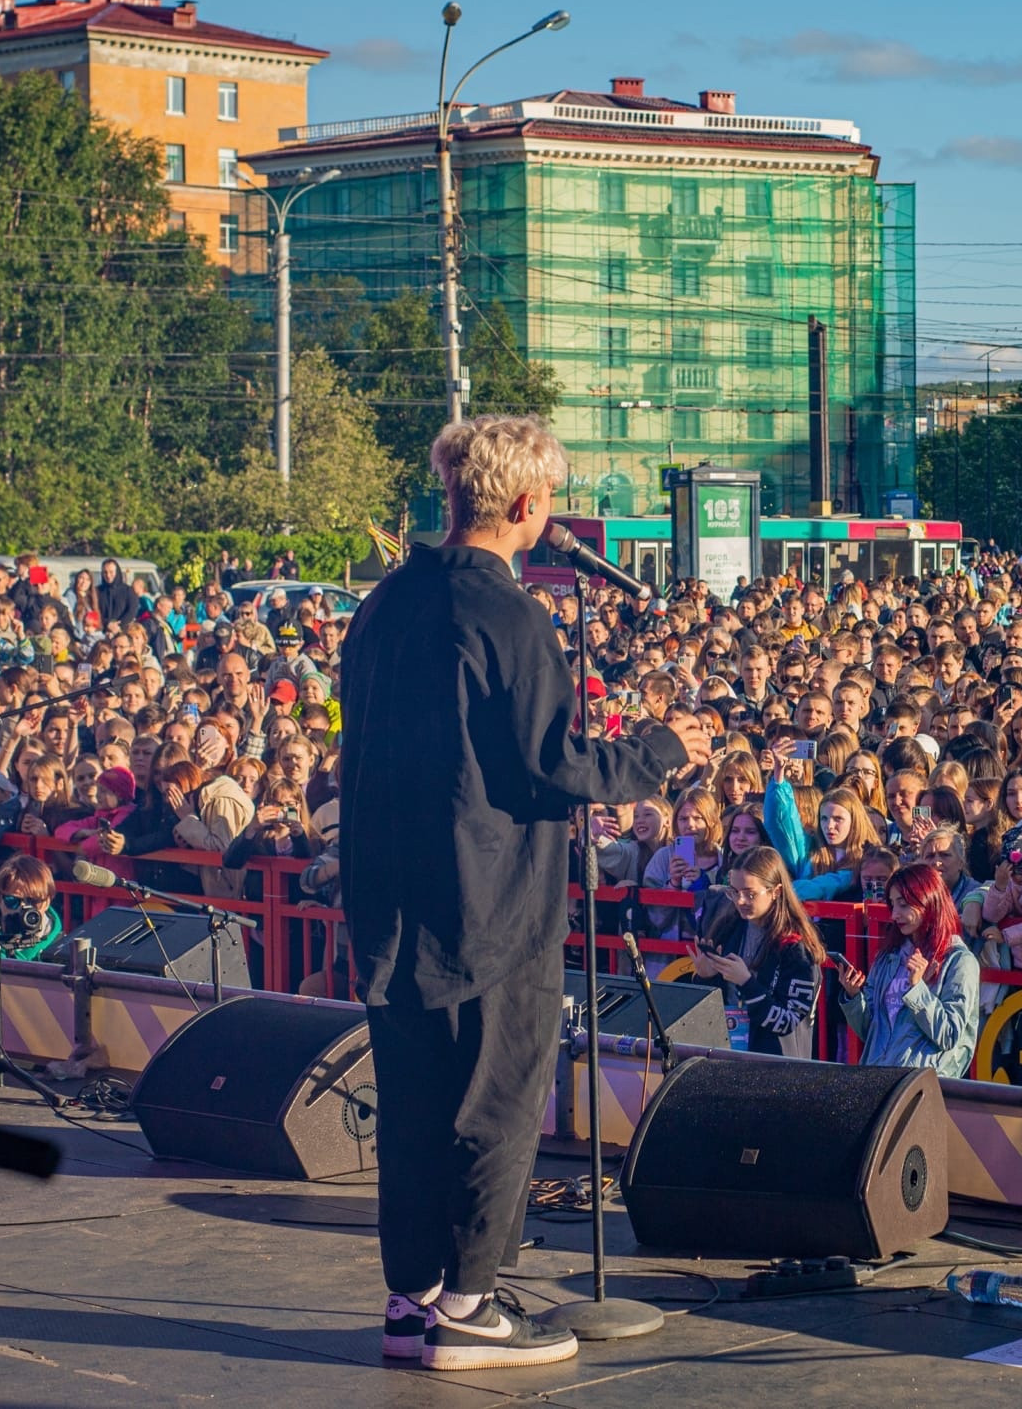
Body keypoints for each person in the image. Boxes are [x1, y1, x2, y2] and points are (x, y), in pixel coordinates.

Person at [338, 415, 711, 1371]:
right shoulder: (508, 614)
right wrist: (663, 751)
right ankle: (467, 1308)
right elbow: (553, 763)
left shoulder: (385, 603)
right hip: (489, 901)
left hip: (389, 896)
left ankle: (412, 1299)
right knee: (496, 1101)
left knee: (414, 1103)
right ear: (528, 506)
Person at [830, 860, 980, 1074]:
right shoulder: (888, 955)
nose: (894, 915)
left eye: (904, 904)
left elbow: (949, 1035)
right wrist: (854, 997)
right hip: (877, 1077)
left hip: (920, 1087)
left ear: (929, 900)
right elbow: (869, 1031)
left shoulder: (960, 961)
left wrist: (917, 988)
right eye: (893, 904)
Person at [695, 845, 825, 1056]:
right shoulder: (728, 927)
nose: (740, 901)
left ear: (776, 892)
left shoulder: (796, 947)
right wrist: (706, 977)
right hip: (731, 1055)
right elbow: (711, 1011)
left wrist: (747, 982)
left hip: (777, 1066)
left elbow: (788, 1022)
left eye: (750, 894)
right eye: (734, 892)